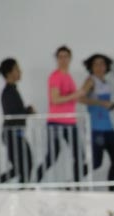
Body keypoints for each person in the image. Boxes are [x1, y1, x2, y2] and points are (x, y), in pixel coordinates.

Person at [36, 45, 86, 183]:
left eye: (66, 56)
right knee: (52, 156)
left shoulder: (68, 76)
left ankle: (76, 185)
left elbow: (74, 97)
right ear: (56, 59)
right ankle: (33, 182)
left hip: (70, 122)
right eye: (60, 57)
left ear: (70, 58)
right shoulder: (55, 76)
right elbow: (55, 99)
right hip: (56, 122)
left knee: (79, 156)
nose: (63, 59)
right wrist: (75, 94)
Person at [81, 53, 114, 191]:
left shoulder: (106, 83)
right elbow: (80, 98)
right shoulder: (90, 81)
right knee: (96, 163)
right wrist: (99, 102)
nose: (99, 67)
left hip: (108, 128)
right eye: (96, 64)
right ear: (91, 67)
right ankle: (73, 181)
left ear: (106, 66)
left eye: (102, 64)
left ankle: (111, 191)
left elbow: (108, 106)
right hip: (96, 129)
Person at [0, 58, 36, 184]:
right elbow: (13, 114)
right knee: (25, 165)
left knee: (24, 165)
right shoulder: (8, 92)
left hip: (16, 134)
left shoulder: (12, 90)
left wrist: (26, 110)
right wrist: (28, 111)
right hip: (12, 135)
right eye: (17, 69)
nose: (20, 72)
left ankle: (0, 184)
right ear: (9, 73)